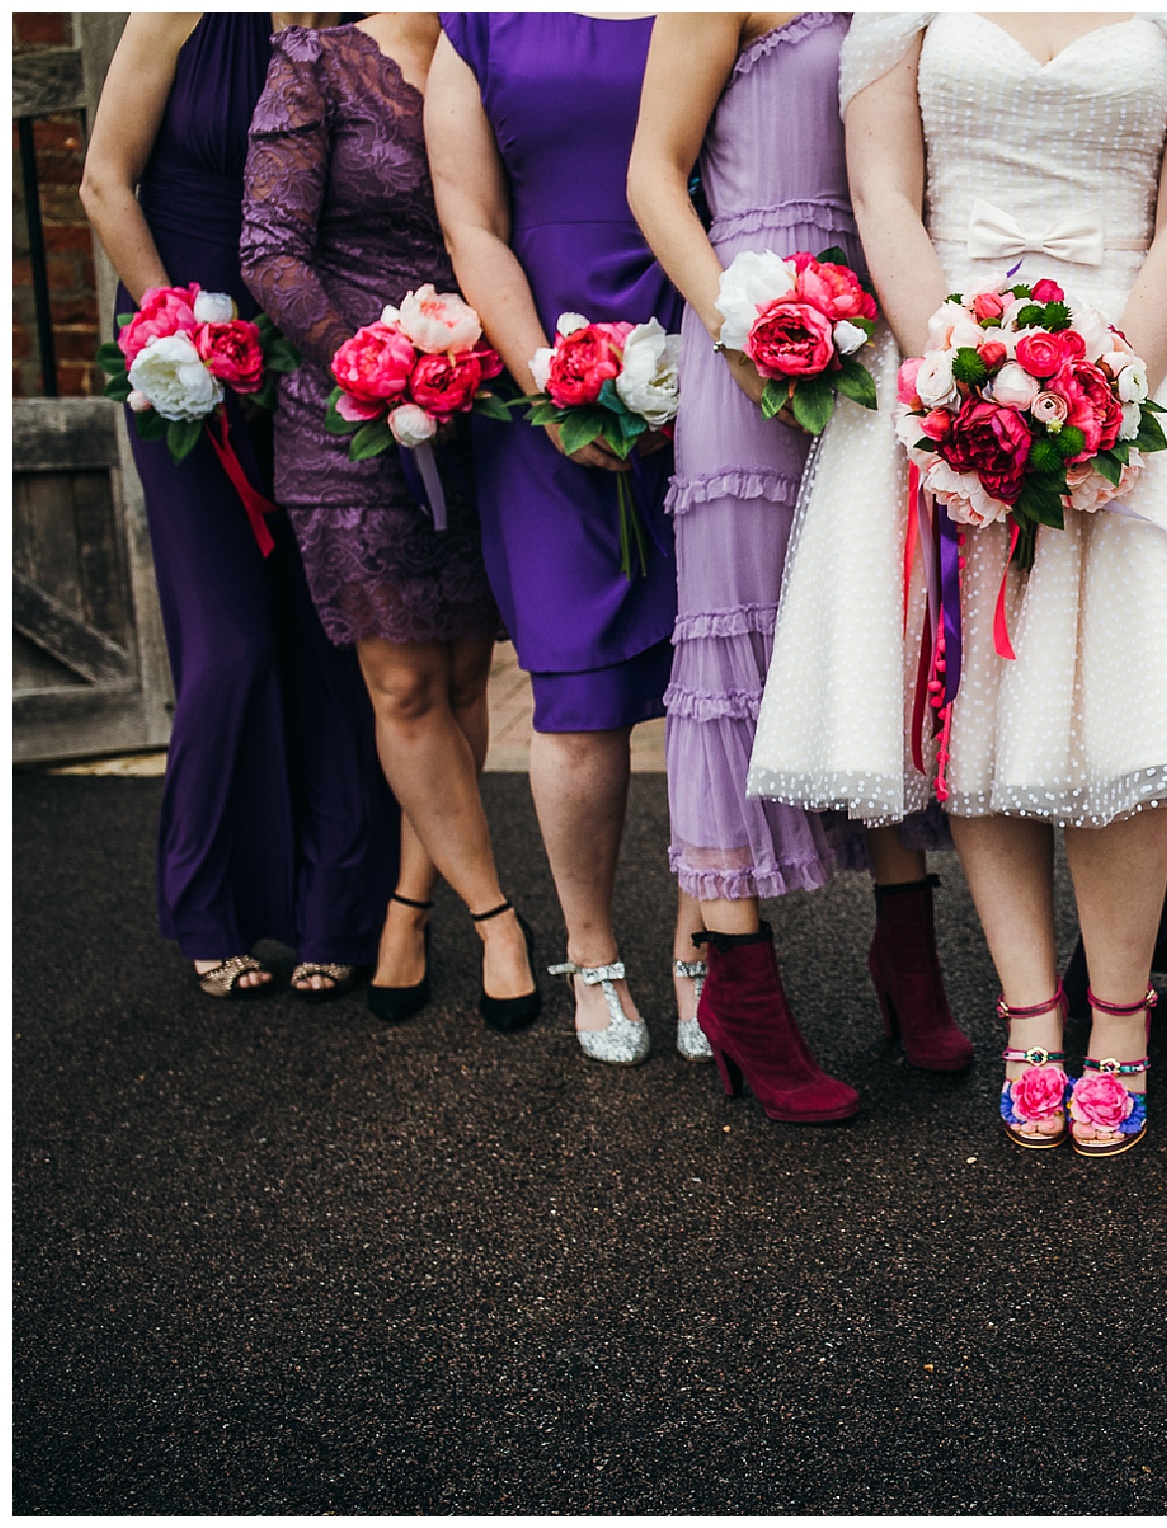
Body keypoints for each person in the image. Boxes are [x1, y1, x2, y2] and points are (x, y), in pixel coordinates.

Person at [746, 12, 1167, 1154]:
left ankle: (1123, 1027)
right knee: (978, 706)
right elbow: (885, 195)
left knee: (1125, 721)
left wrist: (1108, 396)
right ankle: (1031, 1020)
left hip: (1139, 364)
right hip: (948, 358)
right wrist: (958, 385)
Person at [625, 10, 969, 1122]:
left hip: (876, 325)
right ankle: (744, 998)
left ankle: (907, 963)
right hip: (747, 333)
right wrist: (741, 320)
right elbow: (653, 178)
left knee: (874, 630)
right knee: (733, 654)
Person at [82, 11, 399, 1004]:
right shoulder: (180, 13)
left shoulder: (354, 25)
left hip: (306, 360)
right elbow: (104, 181)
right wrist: (178, 327)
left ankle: (336, 912)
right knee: (233, 644)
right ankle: (209, 905)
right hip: (181, 368)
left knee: (326, 634)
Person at [240, 12, 538, 1030]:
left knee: (461, 672)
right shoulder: (314, 62)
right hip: (350, 424)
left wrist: (453, 378)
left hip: (474, 409)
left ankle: (411, 901)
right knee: (403, 680)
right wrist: (379, 372)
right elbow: (271, 253)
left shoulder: (490, 54)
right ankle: (499, 918)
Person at [426, 12, 685, 1065]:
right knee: (575, 691)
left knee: (714, 677)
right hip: (540, 354)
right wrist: (548, 380)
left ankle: (704, 942)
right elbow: (469, 216)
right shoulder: (477, 23)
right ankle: (595, 953)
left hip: (699, 330)